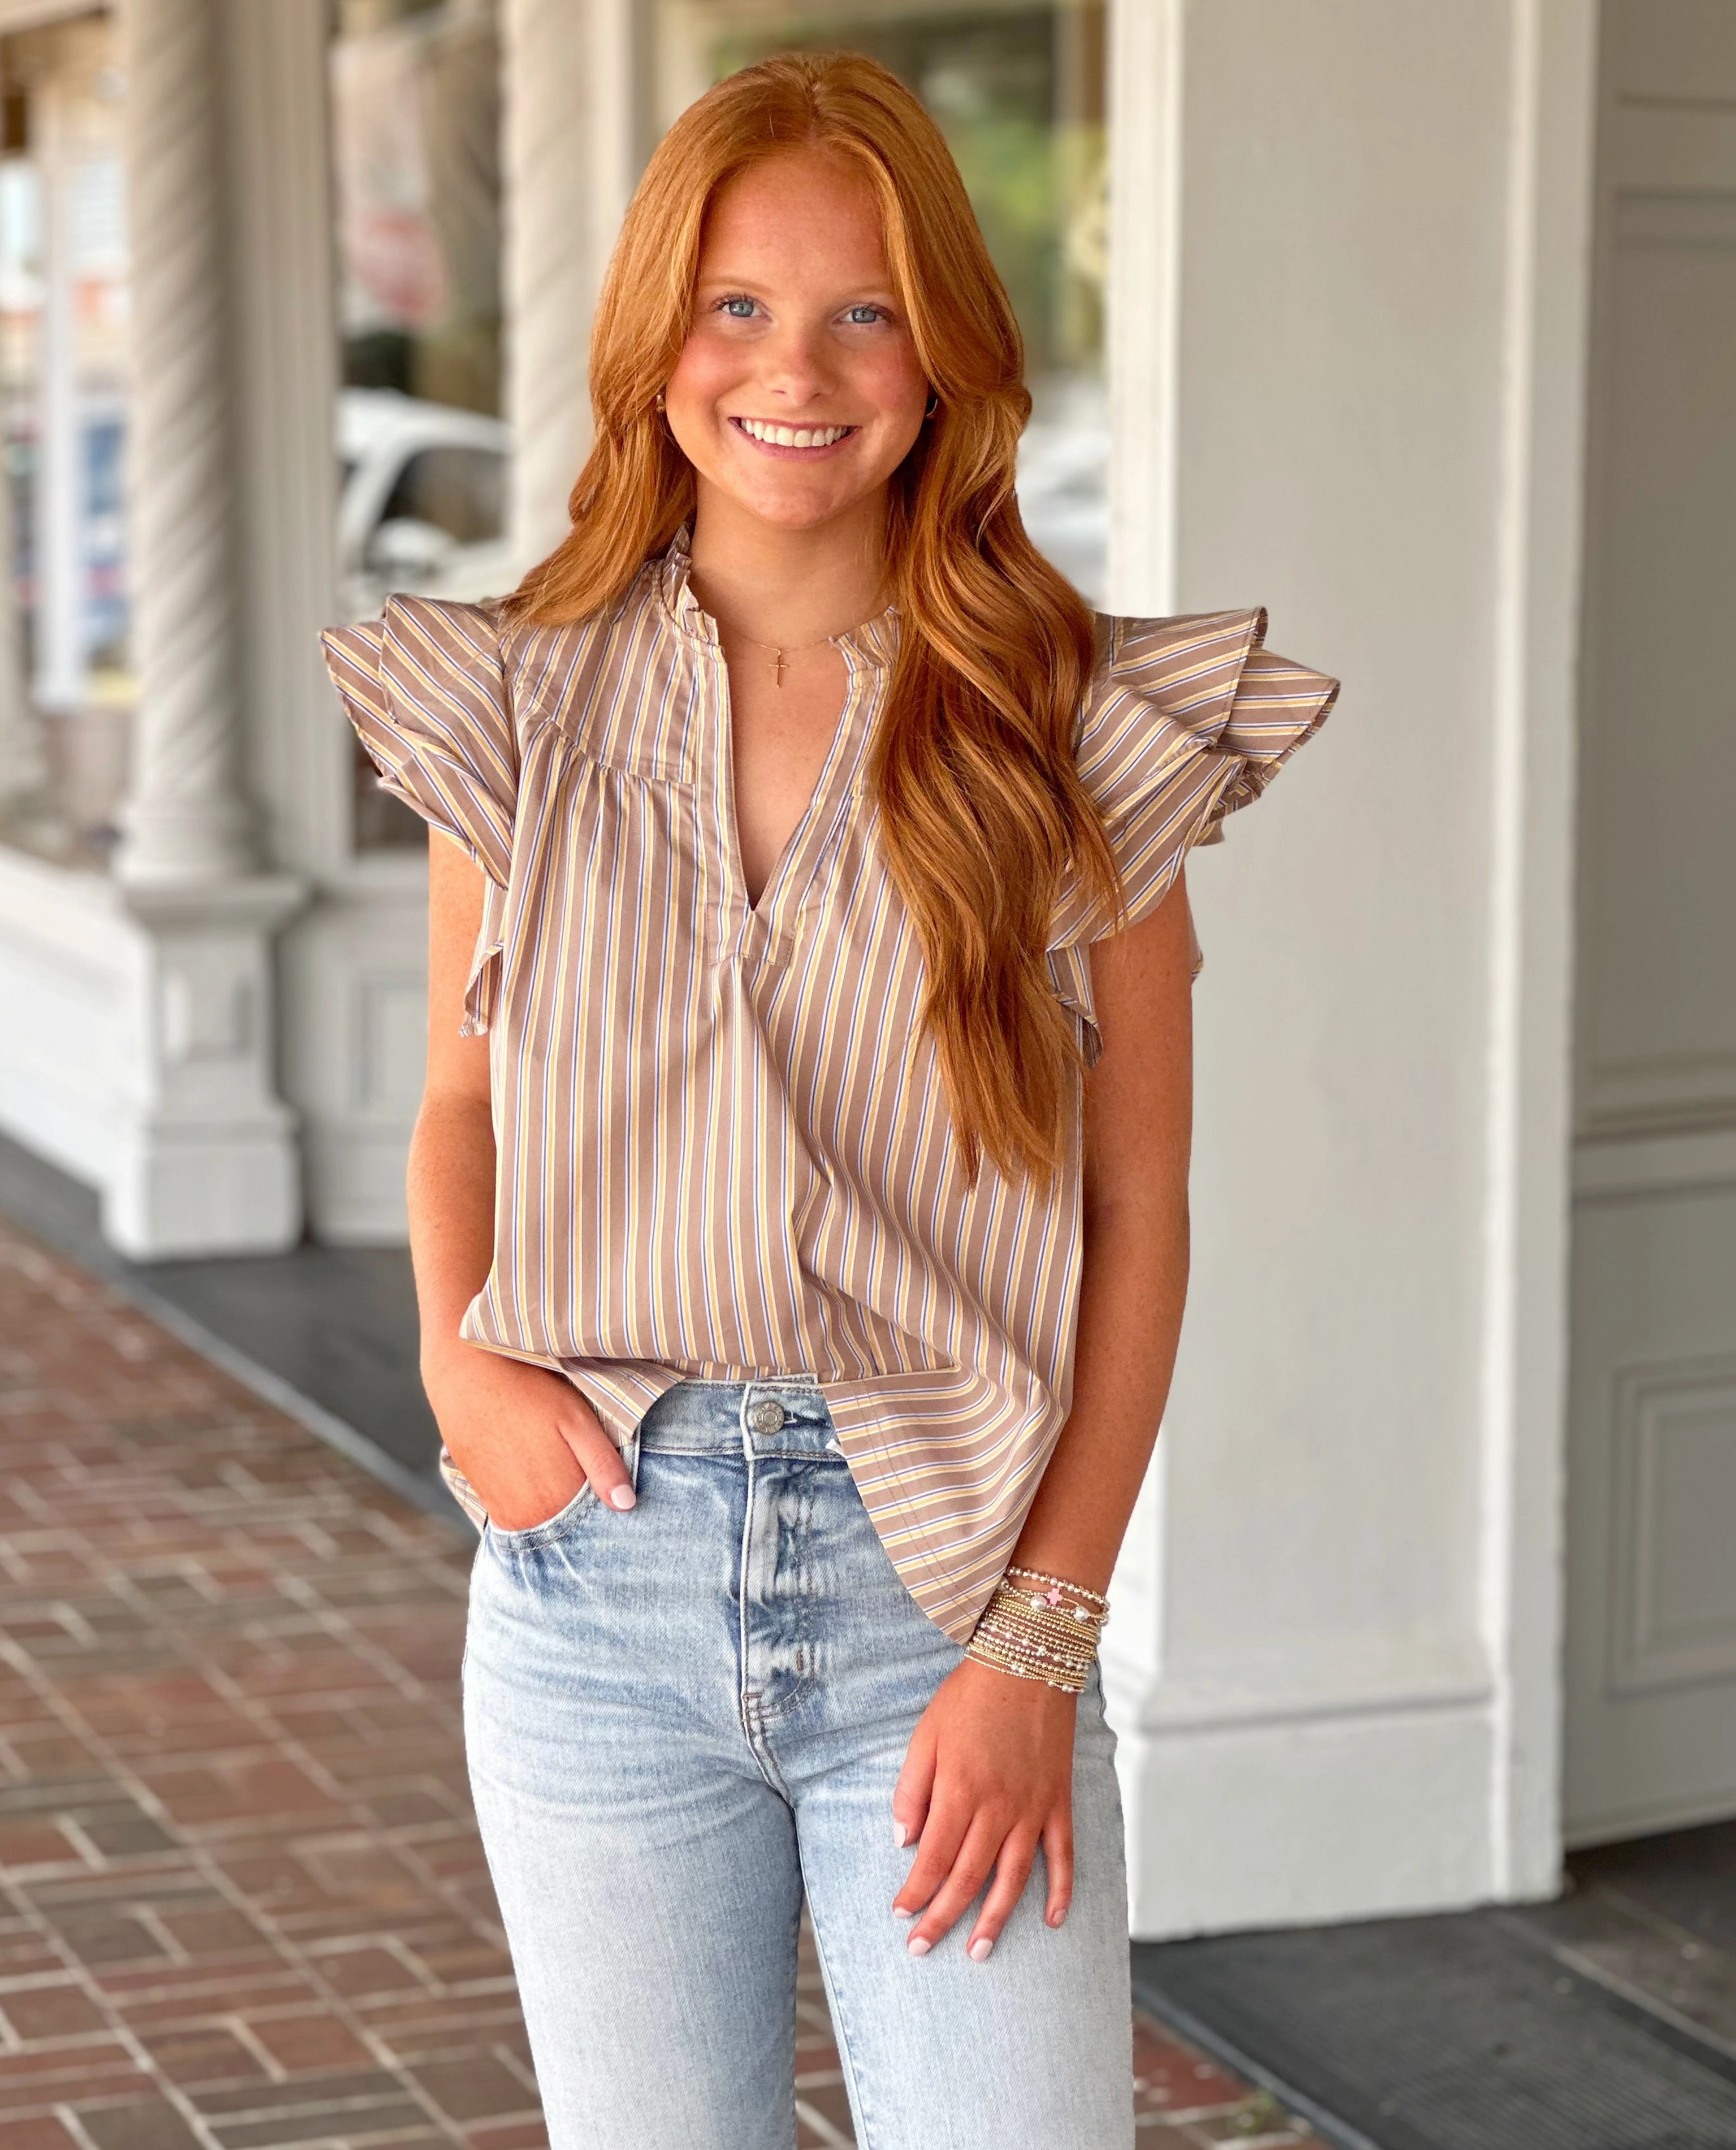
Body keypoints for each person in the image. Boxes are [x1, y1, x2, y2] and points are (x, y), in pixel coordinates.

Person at [322, 49, 1335, 2150]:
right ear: (654, 343)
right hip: (595, 1583)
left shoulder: (1071, 730)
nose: (798, 366)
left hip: (937, 1588)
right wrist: (460, 1371)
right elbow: (458, 1102)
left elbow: (1133, 1214)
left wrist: (1037, 1645)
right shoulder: (516, 698)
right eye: (738, 306)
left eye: (864, 308)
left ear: (945, 348)